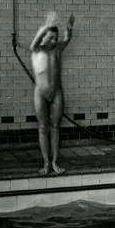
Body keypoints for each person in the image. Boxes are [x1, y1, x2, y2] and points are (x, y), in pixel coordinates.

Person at [29, 10, 74, 175]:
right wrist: (46, 26)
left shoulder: (57, 50)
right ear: (43, 37)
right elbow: (33, 42)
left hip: (56, 93)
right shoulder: (36, 50)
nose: (54, 40)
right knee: (43, 128)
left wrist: (69, 28)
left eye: (55, 38)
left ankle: (55, 162)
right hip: (40, 93)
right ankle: (46, 163)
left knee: (55, 127)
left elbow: (67, 39)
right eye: (51, 37)